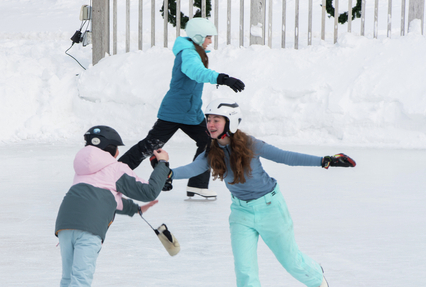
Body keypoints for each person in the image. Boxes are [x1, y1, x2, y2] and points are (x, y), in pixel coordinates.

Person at [170, 99, 357, 287]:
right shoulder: (211, 151)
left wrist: (324, 161)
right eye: (208, 119)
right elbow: (193, 168)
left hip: (270, 208)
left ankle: (316, 276)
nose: (210, 124)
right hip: (240, 213)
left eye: (216, 120)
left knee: (291, 262)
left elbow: (285, 157)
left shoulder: (249, 144)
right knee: (245, 271)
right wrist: (169, 174)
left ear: (230, 122)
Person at [119, 17, 245, 200]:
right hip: (175, 111)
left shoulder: (196, 51)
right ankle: (113, 175)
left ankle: (197, 185)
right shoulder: (189, 53)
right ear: (199, 36)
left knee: (208, 142)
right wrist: (222, 79)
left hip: (190, 112)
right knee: (149, 146)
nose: (211, 40)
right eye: (208, 37)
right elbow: (196, 72)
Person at [55, 125, 170, 287]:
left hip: (64, 225)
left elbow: (103, 198)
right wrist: (163, 163)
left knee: (68, 278)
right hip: (89, 227)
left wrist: (134, 209)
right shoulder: (116, 168)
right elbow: (149, 191)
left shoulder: (81, 170)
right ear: (112, 150)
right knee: (81, 279)